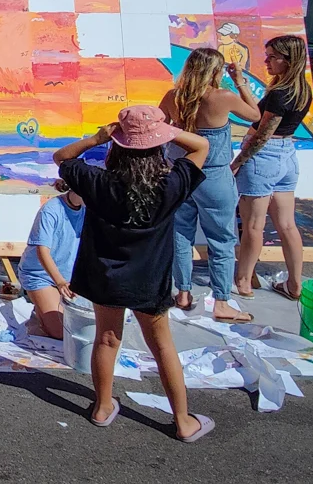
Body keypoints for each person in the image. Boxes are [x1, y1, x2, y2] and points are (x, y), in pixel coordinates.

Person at [53, 105, 214, 443]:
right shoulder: (171, 183)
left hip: (105, 276)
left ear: (117, 144)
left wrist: (99, 136)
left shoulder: (98, 181)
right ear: (160, 145)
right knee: (162, 346)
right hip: (150, 278)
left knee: (107, 338)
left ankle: (102, 407)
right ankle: (183, 422)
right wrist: (164, 130)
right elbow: (201, 145)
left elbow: (62, 157)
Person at [157, 47, 260, 322]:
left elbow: (158, 126)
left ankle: (183, 292)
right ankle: (222, 301)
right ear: (215, 70)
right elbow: (255, 115)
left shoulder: (172, 96)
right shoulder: (222, 97)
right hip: (214, 174)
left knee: (180, 234)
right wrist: (240, 81)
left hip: (181, 172)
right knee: (222, 239)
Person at [231, 35, 313, 301]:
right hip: (287, 155)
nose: (266, 61)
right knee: (287, 225)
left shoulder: (281, 93)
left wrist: (238, 161)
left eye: (272, 57)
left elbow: (262, 133)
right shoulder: (301, 89)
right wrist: (240, 82)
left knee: (254, 225)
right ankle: (294, 283)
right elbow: (257, 113)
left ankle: (244, 280)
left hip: (264, 157)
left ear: (288, 60)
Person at [16, 180, 85, 340]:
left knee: (83, 327)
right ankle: (40, 314)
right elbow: (42, 252)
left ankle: (44, 309)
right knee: (61, 332)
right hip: (40, 275)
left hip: (68, 277)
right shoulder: (51, 210)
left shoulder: (86, 210)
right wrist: (60, 282)